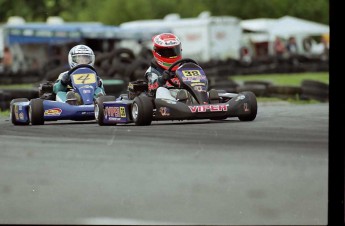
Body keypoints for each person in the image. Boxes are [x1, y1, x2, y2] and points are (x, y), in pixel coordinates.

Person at [144, 33, 188, 101]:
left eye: (174, 51)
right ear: (157, 52)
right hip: (167, 99)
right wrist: (162, 79)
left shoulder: (183, 66)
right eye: (167, 52)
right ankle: (175, 105)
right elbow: (151, 89)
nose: (172, 55)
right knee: (161, 90)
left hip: (183, 94)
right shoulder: (152, 71)